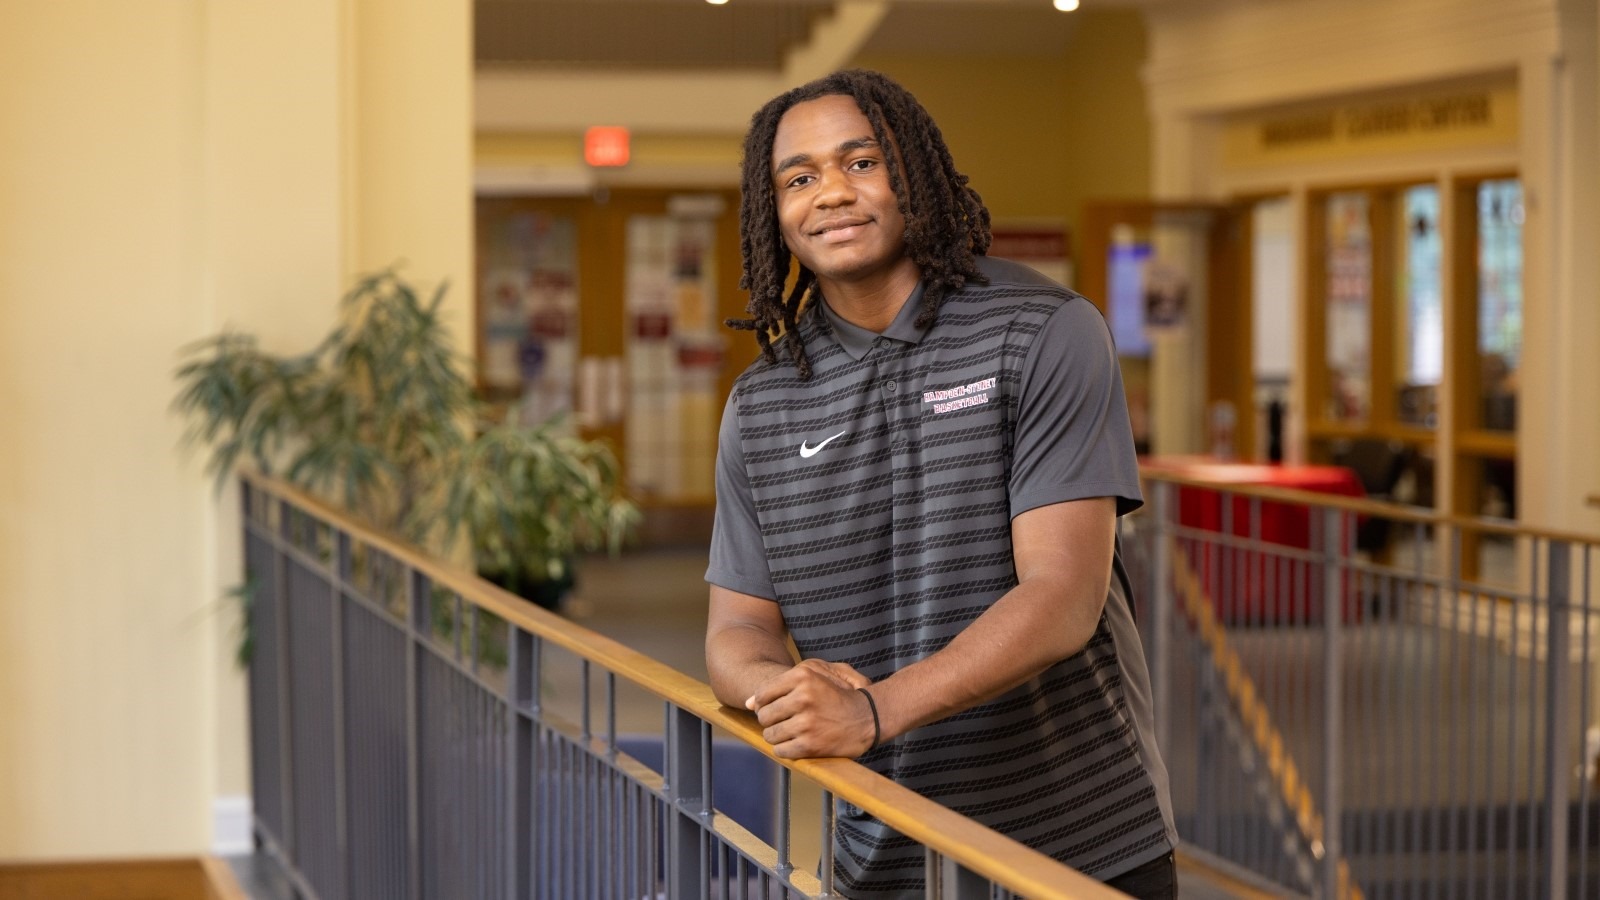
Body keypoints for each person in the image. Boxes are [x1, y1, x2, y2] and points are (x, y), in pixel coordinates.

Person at [704, 69, 1177, 899]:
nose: (832, 195)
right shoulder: (761, 403)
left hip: (1078, 846)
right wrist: (783, 695)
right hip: (885, 857)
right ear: (774, 211)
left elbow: (1064, 594)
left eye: (861, 162)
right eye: (800, 178)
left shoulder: (1043, 331)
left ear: (911, 175)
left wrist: (874, 712)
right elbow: (737, 628)